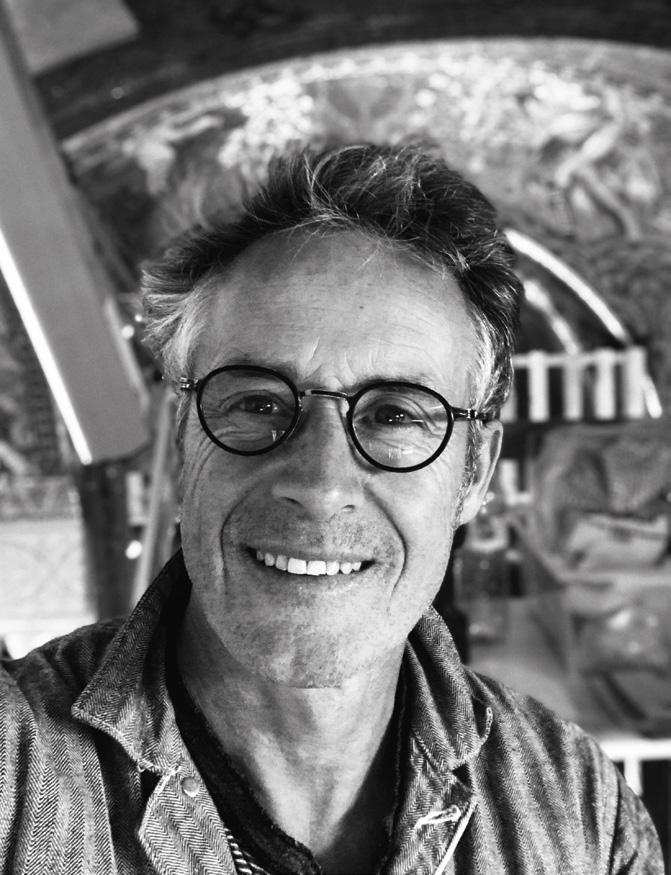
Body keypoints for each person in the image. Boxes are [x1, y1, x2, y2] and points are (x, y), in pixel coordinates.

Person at [0, 143, 663, 874]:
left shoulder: (579, 813)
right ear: (179, 442)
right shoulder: (16, 777)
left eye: (394, 415)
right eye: (257, 403)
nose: (320, 482)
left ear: (475, 471)